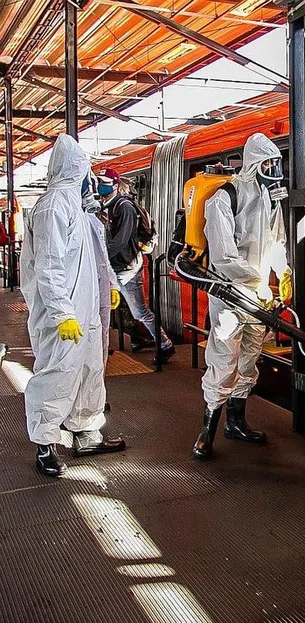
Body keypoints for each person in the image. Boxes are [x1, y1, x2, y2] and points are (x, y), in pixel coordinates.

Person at [21, 134, 127, 477]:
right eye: (87, 172)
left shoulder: (80, 211)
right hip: (63, 313)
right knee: (57, 373)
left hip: (86, 309)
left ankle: (86, 432)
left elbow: (95, 258)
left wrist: (109, 286)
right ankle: (45, 445)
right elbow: (48, 266)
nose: (91, 181)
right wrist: (62, 313)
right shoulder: (53, 206)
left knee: (90, 370)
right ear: (75, 169)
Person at [192, 133, 292, 460]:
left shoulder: (268, 199)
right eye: (268, 164)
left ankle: (236, 422)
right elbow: (223, 256)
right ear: (253, 163)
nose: (273, 170)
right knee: (224, 359)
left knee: (249, 358)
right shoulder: (224, 198)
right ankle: (207, 430)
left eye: (276, 164)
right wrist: (257, 281)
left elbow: (276, 241)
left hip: (257, 296)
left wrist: (283, 271)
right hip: (229, 296)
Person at [98, 167, 175, 362]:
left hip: (126, 269)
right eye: (99, 182)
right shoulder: (106, 206)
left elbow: (121, 240)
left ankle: (165, 345)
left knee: (139, 311)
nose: (101, 186)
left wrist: (101, 257)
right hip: (115, 267)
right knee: (103, 307)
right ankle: (104, 346)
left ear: (116, 185)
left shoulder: (124, 207)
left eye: (105, 183)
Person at [83, 170, 121, 411]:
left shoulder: (93, 219)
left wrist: (112, 283)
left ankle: (94, 398)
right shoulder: (58, 213)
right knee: (84, 350)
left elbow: (103, 257)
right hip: (80, 295)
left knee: (98, 345)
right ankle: (85, 404)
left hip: (98, 290)